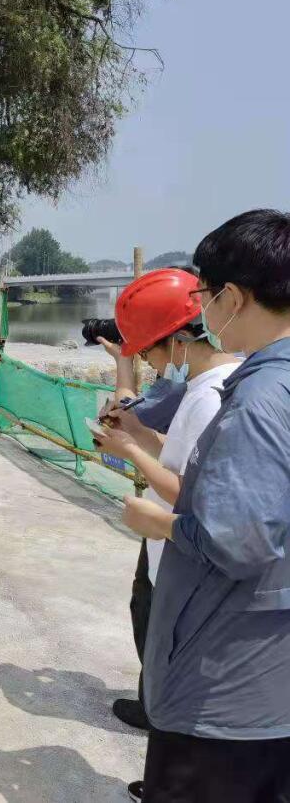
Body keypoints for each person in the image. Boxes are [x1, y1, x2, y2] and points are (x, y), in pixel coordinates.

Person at [120, 210, 290, 803]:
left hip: (223, 685)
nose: (203, 308)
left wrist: (161, 522)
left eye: (206, 294)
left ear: (233, 299)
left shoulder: (257, 401)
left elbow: (238, 541)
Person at [91, 269, 240, 802]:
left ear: (178, 340)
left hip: (181, 551)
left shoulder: (210, 397)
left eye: (150, 351)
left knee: (178, 684)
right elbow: (181, 460)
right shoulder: (206, 387)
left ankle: (170, 784)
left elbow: (193, 494)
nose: (153, 364)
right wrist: (138, 433)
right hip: (170, 549)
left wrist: (130, 451)